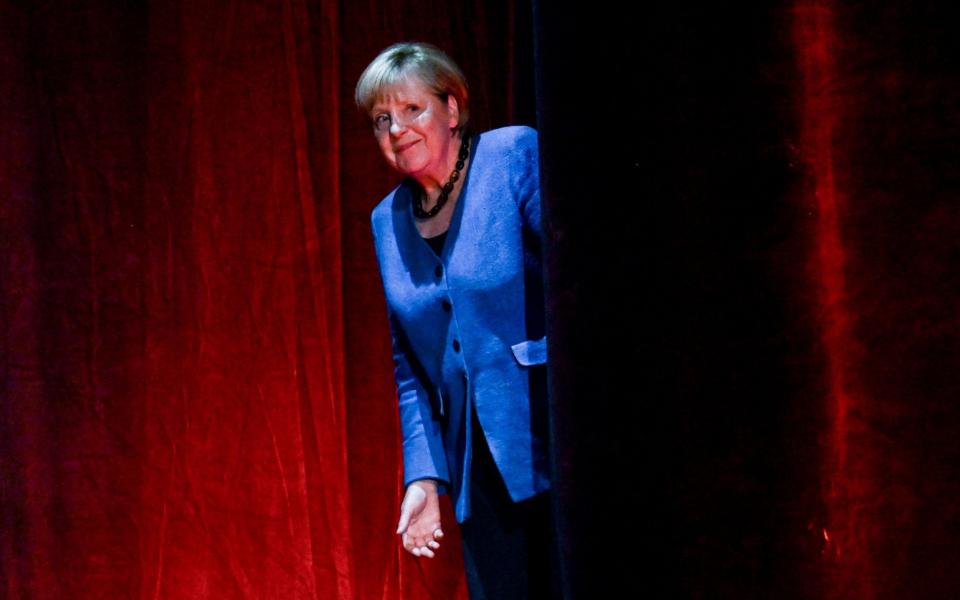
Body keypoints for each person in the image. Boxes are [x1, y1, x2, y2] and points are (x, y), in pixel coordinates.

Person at [356, 43, 555, 599]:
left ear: (452, 107)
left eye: (412, 110)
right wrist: (424, 476)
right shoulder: (386, 221)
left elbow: (576, 288)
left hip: (550, 434)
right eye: (381, 120)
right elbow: (410, 367)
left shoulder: (512, 156)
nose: (397, 130)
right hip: (477, 465)